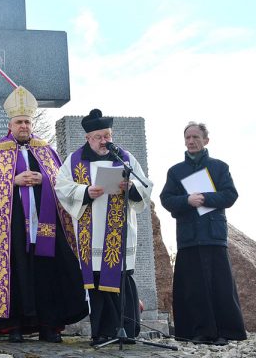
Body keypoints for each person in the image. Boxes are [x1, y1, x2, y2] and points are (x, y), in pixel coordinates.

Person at [0, 86, 88, 343]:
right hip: (11, 227)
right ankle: (14, 326)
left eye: (27, 121)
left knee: (47, 272)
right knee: (16, 271)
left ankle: (49, 324)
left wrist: (43, 179)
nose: (23, 126)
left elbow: (61, 183)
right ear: (10, 125)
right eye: (19, 122)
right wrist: (13, 181)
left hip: (45, 224)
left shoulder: (45, 150)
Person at [54, 108, 153, 346]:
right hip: (92, 231)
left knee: (122, 277)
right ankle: (101, 331)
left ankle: (126, 330)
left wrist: (129, 188)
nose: (104, 141)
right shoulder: (75, 160)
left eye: (107, 135)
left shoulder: (125, 158)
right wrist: (85, 191)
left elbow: (145, 186)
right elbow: (61, 186)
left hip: (119, 230)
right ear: (88, 138)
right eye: (98, 137)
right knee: (97, 280)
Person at [160, 122, 246, 346]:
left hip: (213, 234)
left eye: (195, 137)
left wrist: (206, 198)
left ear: (206, 140)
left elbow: (230, 195)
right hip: (188, 237)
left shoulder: (220, 167)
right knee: (193, 287)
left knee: (220, 285)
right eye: (187, 137)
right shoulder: (175, 171)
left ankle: (224, 332)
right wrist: (187, 201)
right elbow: (166, 199)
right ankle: (197, 332)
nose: (191, 141)